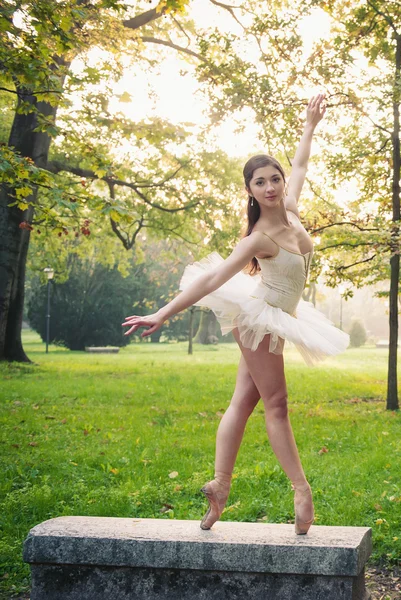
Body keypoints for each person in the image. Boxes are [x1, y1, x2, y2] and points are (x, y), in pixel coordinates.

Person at [122, 94, 349, 535]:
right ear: (249, 191)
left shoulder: (295, 213)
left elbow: (300, 165)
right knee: (277, 403)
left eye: (274, 179)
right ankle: (301, 490)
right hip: (258, 317)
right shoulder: (258, 238)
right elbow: (211, 281)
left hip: (283, 314)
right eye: (259, 182)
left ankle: (219, 488)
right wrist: (164, 313)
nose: (269, 187)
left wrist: (309, 126)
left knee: (244, 401)